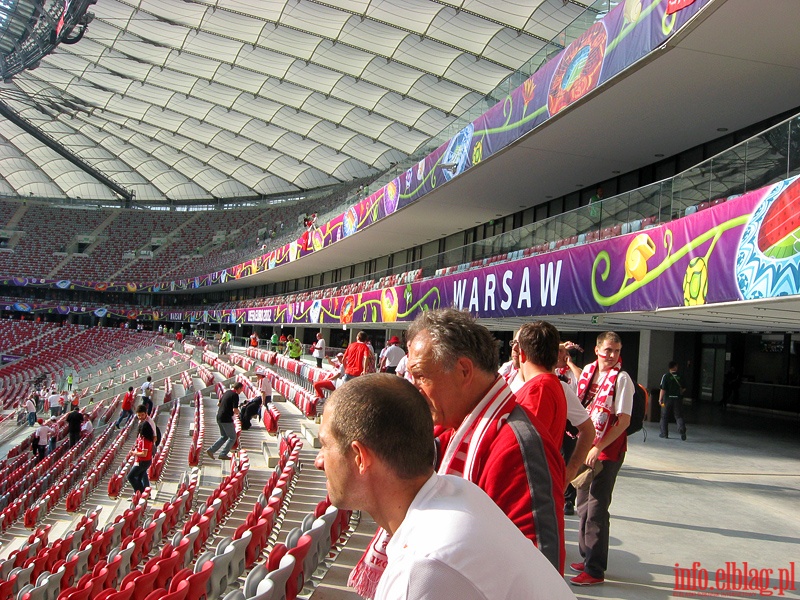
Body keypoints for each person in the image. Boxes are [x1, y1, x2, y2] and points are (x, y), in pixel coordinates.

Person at [350, 309, 564, 599]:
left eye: (421, 376)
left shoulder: (517, 446)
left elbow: (540, 573)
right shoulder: (456, 429)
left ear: (464, 371)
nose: (415, 390)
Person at [316, 374, 575, 600]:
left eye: (325, 446)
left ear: (361, 458)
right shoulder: (459, 493)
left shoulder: (421, 568)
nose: (319, 461)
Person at [571, 332, 634, 586]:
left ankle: (595, 570)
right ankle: (587, 555)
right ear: (597, 350)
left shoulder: (622, 379)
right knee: (583, 505)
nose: (612, 356)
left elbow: (624, 421)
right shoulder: (588, 371)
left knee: (596, 508)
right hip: (587, 447)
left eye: (616, 351)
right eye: (608, 350)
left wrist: (599, 446)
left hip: (607, 453)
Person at [555, 342, 594, 516]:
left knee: (568, 457)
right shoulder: (552, 370)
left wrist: (570, 363)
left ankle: (568, 499)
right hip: (557, 419)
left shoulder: (573, 371)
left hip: (572, 421)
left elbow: (583, 380)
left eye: (563, 352)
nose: (560, 355)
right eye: (558, 351)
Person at [206, 381, 242, 460]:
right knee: (233, 437)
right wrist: (240, 414)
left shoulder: (227, 392)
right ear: (238, 388)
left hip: (219, 416)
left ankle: (211, 450)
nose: (241, 391)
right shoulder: (235, 395)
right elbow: (235, 409)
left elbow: (218, 404)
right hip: (226, 418)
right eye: (241, 390)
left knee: (224, 436)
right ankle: (223, 454)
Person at [127, 406, 155, 493]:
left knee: (131, 477)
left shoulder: (145, 438)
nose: (140, 417)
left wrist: (134, 453)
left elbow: (144, 453)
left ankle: (141, 493)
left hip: (143, 460)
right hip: (145, 459)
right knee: (140, 477)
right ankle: (141, 493)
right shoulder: (143, 436)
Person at [659, 361, 687, 440]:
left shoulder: (666, 376)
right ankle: (682, 430)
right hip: (677, 399)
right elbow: (684, 388)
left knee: (664, 416)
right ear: (675, 367)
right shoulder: (680, 376)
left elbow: (663, 389)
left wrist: (660, 399)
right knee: (678, 416)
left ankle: (664, 433)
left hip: (667, 399)